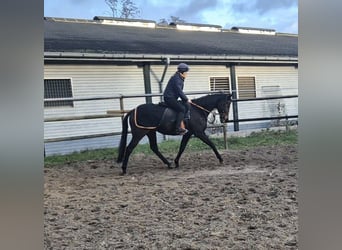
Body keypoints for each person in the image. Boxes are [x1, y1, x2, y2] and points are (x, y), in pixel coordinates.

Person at [163, 63, 192, 134]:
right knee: (182, 109)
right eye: (186, 73)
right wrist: (186, 99)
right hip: (169, 98)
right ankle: (178, 128)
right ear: (182, 72)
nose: (187, 74)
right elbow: (179, 91)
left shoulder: (178, 77)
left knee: (185, 105)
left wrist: (185, 100)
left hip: (172, 97)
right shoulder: (177, 79)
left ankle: (185, 121)